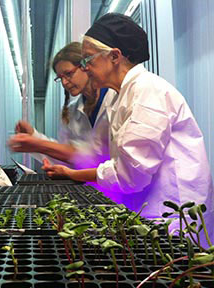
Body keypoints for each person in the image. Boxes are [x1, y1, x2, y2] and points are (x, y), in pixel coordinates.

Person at [43, 13, 213, 225]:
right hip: (149, 210)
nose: (85, 67)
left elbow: (131, 176)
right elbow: (97, 153)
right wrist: (68, 171)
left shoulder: (148, 92)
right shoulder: (117, 96)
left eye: (88, 59)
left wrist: (73, 174)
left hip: (174, 215)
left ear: (114, 56)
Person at [9, 42, 116, 170]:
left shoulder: (114, 100)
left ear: (86, 66)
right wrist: (33, 135)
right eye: (60, 78)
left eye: (69, 74)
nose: (65, 82)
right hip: (87, 186)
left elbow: (96, 157)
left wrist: (38, 144)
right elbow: (65, 158)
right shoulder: (71, 111)